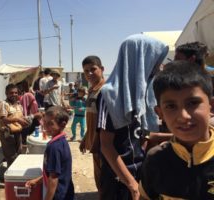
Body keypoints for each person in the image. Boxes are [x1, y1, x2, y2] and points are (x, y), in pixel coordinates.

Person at [97, 34, 169, 200]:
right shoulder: (109, 95)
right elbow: (106, 146)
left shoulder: (141, 93)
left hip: (139, 173)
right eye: (155, 61)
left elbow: (140, 135)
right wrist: (131, 184)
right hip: (119, 180)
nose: (159, 67)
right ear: (140, 60)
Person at [139, 61, 214, 199]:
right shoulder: (155, 160)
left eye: (193, 103)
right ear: (160, 113)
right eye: (171, 106)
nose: (183, 116)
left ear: (211, 106)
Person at [25, 106, 74, 200]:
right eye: (44, 122)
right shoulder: (62, 141)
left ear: (62, 125)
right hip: (66, 191)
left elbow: (54, 179)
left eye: (50, 124)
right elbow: (53, 172)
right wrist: (36, 181)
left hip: (58, 195)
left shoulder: (54, 147)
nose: (45, 126)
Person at [78, 55, 105, 197]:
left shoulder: (105, 91)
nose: (89, 74)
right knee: (98, 177)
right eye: (86, 71)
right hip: (94, 142)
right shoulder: (92, 90)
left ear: (101, 69)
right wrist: (85, 138)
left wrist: (96, 142)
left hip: (102, 145)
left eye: (93, 69)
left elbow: (104, 122)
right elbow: (91, 119)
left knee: (104, 178)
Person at [0, 84, 29, 167]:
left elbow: (20, 118)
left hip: (17, 132)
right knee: (11, 157)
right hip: (7, 133)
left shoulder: (18, 105)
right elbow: (3, 119)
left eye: (16, 93)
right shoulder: (4, 104)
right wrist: (17, 119)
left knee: (19, 154)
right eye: (11, 93)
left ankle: (15, 175)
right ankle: (10, 177)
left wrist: (24, 122)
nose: (14, 94)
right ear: (6, 94)